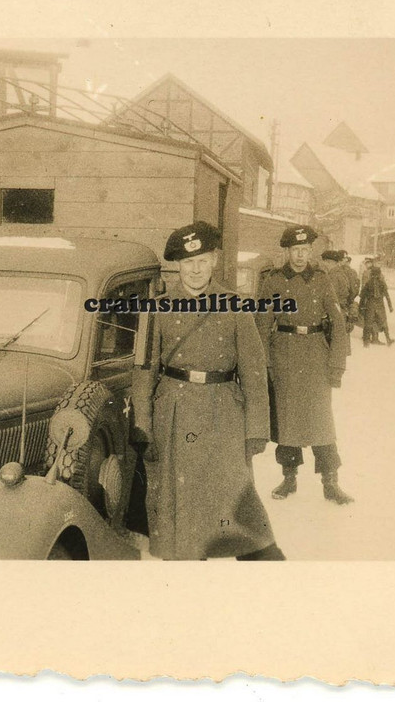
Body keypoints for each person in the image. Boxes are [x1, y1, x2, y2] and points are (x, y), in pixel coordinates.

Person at [131, 221, 285, 560]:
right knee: (182, 508)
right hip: (174, 416)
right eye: (188, 262)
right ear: (178, 265)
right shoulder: (156, 308)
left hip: (224, 415)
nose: (196, 269)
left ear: (214, 260)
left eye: (202, 260)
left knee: (236, 501)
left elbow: (254, 373)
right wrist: (143, 426)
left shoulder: (236, 306)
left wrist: (256, 429)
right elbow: (144, 373)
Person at [256, 225, 353, 505]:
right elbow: (262, 326)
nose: (300, 256)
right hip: (284, 357)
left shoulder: (322, 280)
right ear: (287, 252)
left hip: (315, 357)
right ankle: (289, 478)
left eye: (305, 250)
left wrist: (336, 364)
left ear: (311, 251)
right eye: (295, 250)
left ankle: (330, 482)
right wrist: (265, 365)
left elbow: (338, 322)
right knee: (287, 421)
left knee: (322, 420)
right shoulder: (273, 281)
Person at [322, 250, 360, 336]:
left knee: (334, 339)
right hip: (343, 310)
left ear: (329, 262)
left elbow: (330, 297)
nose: (323, 264)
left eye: (324, 262)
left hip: (335, 313)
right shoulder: (342, 273)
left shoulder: (333, 276)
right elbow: (353, 292)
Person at [359, 265, 394, 346]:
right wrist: (390, 306)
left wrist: (361, 307)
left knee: (368, 322)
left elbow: (363, 296)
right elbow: (387, 295)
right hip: (380, 305)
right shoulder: (382, 283)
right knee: (383, 321)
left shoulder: (368, 283)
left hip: (370, 304)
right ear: (379, 274)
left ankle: (366, 342)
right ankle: (388, 339)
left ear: (371, 274)